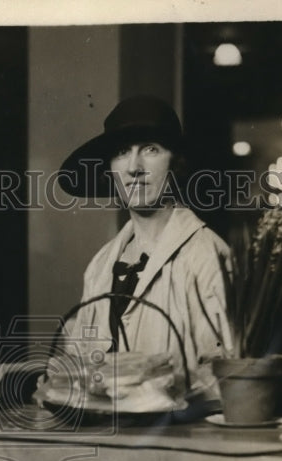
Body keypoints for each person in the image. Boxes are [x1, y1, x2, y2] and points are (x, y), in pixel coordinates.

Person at [53, 95, 233, 393]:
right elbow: (79, 363)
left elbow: (225, 378)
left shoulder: (207, 255)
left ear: (176, 163)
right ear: (110, 169)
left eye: (150, 149)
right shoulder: (100, 266)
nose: (134, 167)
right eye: (122, 152)